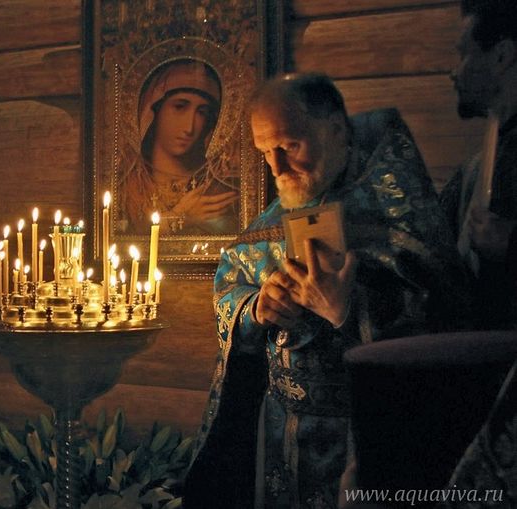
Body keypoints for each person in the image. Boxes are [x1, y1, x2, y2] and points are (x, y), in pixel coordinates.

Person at [183, 73, 471, 509]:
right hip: (281, 434)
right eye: (265, 152)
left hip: (362, 433)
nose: (277, 168)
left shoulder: (396, 212)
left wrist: (346, 310)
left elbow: (443, 317)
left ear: (336, 130)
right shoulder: (276, 216)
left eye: (290, 146)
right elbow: (232, 279)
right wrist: (257, 308)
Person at [440, 0, 517, 330]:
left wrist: (511, 243)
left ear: (501, 56)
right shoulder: (480, 162)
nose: (454, 72)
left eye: (463, 55)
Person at [119, 59, 238, 234]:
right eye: (180, 107)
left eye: (202, 112)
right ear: (154, 110)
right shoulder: (127, 190)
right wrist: (182, 216)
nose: (189, 127)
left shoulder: (216, 191)